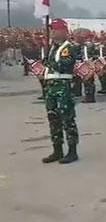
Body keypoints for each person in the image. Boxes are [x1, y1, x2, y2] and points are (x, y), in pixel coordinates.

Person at [42, 19, 81, 164]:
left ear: (63, 31)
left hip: (63, 87)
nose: (52, 32)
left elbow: (63, 65)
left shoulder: (69, 47)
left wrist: (48, 62)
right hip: (51, 87)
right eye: (51, 29)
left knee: (67, 118)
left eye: (55, 29)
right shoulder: (53, 47)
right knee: (53, 119)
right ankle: (57, 150)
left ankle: (72, 151)